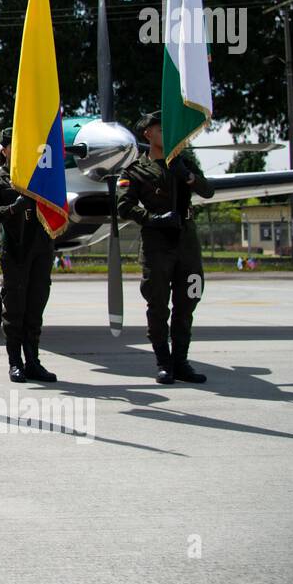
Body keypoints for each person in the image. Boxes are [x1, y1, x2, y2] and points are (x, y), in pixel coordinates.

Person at [116, 110, 214, 384]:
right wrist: (152, 218)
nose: (165, 133)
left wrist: (189, 177)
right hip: (157, 243)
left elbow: (208, 191)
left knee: (189, 300)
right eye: (160, 129)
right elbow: (124, 206)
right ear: (147, 133)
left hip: (187, 242)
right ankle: (164, 363)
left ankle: (181, 361)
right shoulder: (134, 171)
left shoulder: (183, 163)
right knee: (157, 304)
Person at [0, 127, 58, 383]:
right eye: (14, 145)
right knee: (14, 310)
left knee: (35, 307)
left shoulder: (43, 178)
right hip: (15, 248)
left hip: (41, 248)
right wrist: (13, 208)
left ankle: (33, 362)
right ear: (5, 149)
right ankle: (15, 363)